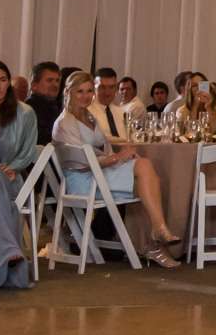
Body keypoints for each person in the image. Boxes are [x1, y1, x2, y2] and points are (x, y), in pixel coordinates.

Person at [52, 75, 180, 267]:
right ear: (68, 92)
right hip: (82, 180)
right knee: (147, 182)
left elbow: (105, 148)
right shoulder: (64, 123)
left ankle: (156, 233)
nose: (86, 96)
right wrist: (118, 158)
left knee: (145, 172)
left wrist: (121, 158)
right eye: (80, 91)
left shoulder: (89, 116)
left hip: (99, 173)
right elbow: (82, 160)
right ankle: (153, 242)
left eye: (89, 91)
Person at [26, 63, 64, 132]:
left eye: (57, 80)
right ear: (34, 85)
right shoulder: (28, 110)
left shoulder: (56, 107)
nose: (55, 85)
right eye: (49, 80)